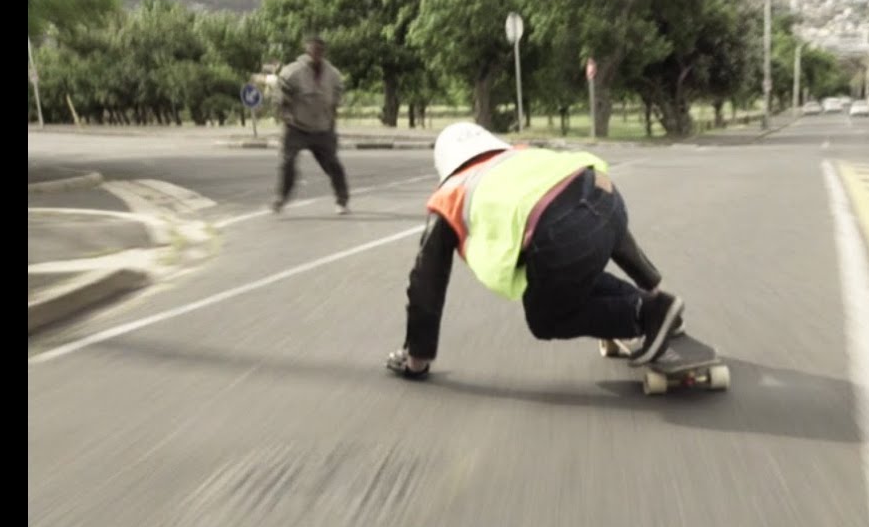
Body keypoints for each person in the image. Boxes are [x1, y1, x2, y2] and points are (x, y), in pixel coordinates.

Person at [388, 121, 684, 378]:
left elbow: (426, 284)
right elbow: (615, 233)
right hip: (605, 192)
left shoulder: (449, 196)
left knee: (545, 317)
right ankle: (658, 306)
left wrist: (417, 358)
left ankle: (645, 313)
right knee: (561, 276)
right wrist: (653, 284)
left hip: (561, 229)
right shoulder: (522, 156)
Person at [271, 35, 351, 215]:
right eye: (312, 50)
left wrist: (333, 119)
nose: (315, 54)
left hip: (322, 127)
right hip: (297, 127)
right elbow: (279, 97)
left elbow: (337, 98)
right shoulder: (293, 72)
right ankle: (281, 198)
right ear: (307, 51)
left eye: (319, 50)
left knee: (333, 164)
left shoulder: (333, 74)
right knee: (287, 163)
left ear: (323, 52)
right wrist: (285, 115)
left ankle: (342, 200)